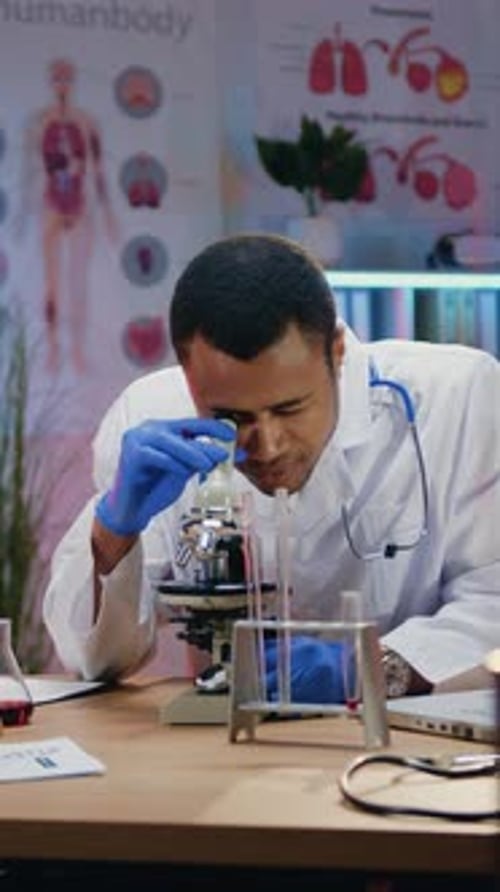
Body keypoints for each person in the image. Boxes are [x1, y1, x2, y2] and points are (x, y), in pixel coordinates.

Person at [43, 233, 500, 701]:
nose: (268, 445)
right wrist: (115, 530)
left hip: (404, 731)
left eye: (289, 408)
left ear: (337, 351)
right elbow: (96, 661)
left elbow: (492, 602)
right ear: (187, 374)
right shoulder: (150, 416)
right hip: (227, 736)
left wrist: (372, 668)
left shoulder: (457, 397)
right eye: (232, 417)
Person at [16, 58, 117, 373]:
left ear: (72, 83)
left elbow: (98, 172)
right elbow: (29, 171)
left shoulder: (87, 123)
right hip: (50, 204)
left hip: (80, 204)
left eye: (66, 79)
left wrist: (109, 215)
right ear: (51, 82)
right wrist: (21, 214)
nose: (62, 85)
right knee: (52, 283)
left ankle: (77, 351)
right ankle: (52, 350)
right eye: (57, 79)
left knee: (78, 282)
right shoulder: (39, 123)